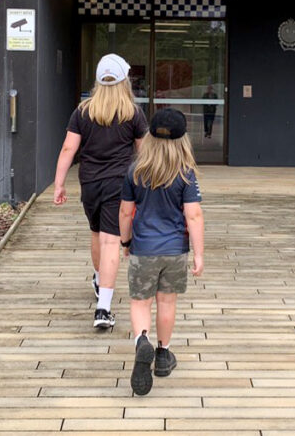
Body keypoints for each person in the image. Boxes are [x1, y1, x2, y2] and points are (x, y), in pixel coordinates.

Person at [54, 54, 148, 329]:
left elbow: (68, 149)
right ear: (124, 81)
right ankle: (103, 308)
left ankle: (98, 278)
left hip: (90, 183)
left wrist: (59, 183)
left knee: (96, 233)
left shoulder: (83, 111)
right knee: (111, 241)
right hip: (120, 184)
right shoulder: (133, 112)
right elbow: (144, 154)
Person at [119, 108, 204, 396]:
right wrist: (199, 254)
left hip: (144, 249)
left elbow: (125, 210)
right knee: (167, 303)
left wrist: (125, 242)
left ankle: (142, 341)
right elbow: (193, 216)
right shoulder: (186, 173)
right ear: (183, 141)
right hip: (174, 250)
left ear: (150, 138)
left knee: (140, 302)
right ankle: (164, 355)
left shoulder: (136, 170)